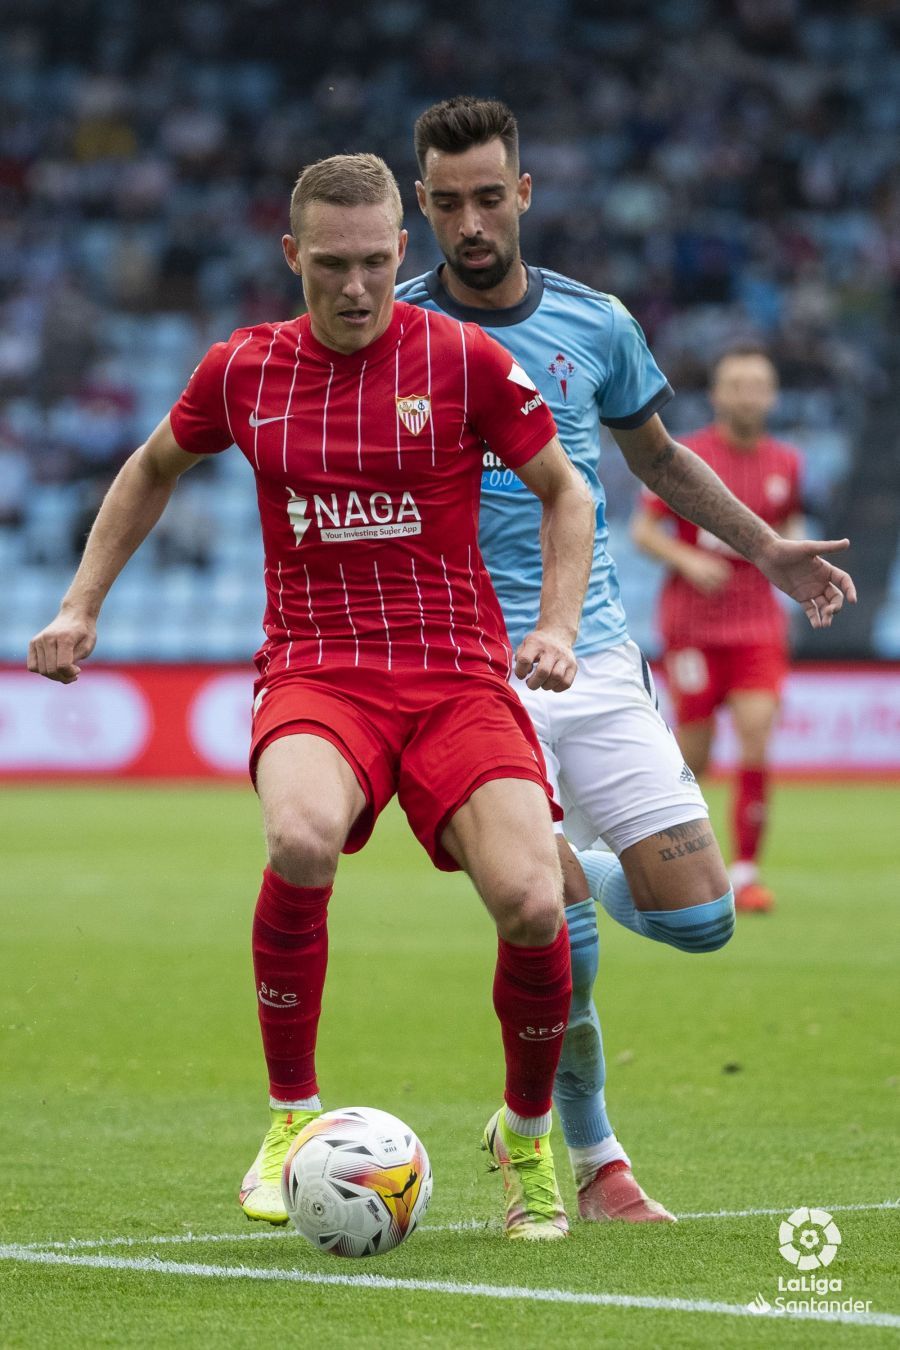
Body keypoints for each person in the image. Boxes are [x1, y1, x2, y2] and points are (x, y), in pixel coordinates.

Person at [27, 153, 598, 1243]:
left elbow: (568, 489)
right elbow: (151, 467)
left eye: (378, 263)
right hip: (319, 669)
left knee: (532, 903)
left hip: (456, 675)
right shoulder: (242, 369)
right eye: (330, 265)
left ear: (403, 253)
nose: (355, 288)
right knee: (299, 838)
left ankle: (525, 1134)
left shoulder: (466, 360)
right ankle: (292, 1117)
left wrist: (558, 627)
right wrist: (81, 605)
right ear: (293, 255)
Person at [398, 96, 856, 1223]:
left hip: (596, 661)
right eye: (448, 201)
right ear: (422, 203)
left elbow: (657, 461)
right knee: (555, 931)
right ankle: (592, 1160)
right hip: (467, 673)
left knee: (701, 916)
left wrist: (765, 550)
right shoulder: (393, 333)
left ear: (526, 195)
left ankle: (565, 897)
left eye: (489, 197)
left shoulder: (596, 323)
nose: (470, 220)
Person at [631, 346, 804, 913]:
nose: (748, 395)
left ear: (773, 395)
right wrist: (687, 561)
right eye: (737, 384)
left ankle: (748, 871)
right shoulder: (686, 456)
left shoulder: (786, 464)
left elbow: (789, 526)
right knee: (695, 756)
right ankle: (667, 860)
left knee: (756, 738)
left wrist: (798, 556)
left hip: (757, 624)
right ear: (718, 393)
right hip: (694, 626)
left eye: (758, 385)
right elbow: (644, 531)